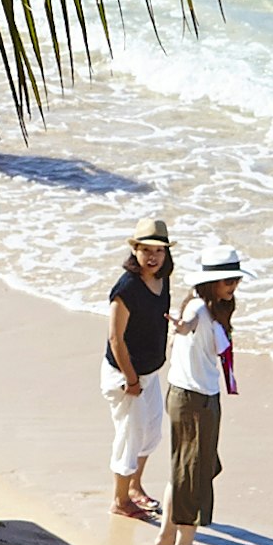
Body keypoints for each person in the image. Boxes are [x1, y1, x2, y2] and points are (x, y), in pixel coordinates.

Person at [160, 246, 239, 545]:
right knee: (194, 472)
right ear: (211, 282)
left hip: (191, 396)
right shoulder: (197, 309)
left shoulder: (210, 306)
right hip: (195, 399)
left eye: (235, 279)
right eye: (226, 280)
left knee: (186, 468)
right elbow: (187, 322)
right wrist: (179, 325)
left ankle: (168, 536)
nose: (232, 285)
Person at [105, 219, 174, 525]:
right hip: (124, 376)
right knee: (129, 437)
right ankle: (119, 501)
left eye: (158, 250)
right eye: (145, 250)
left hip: (148, 374)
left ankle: (134, 487)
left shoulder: (163, 280)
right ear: (135, 251)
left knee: (152, 432)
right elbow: (115, 338)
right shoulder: (127, 288)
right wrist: (130, 379)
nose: (152, 256)